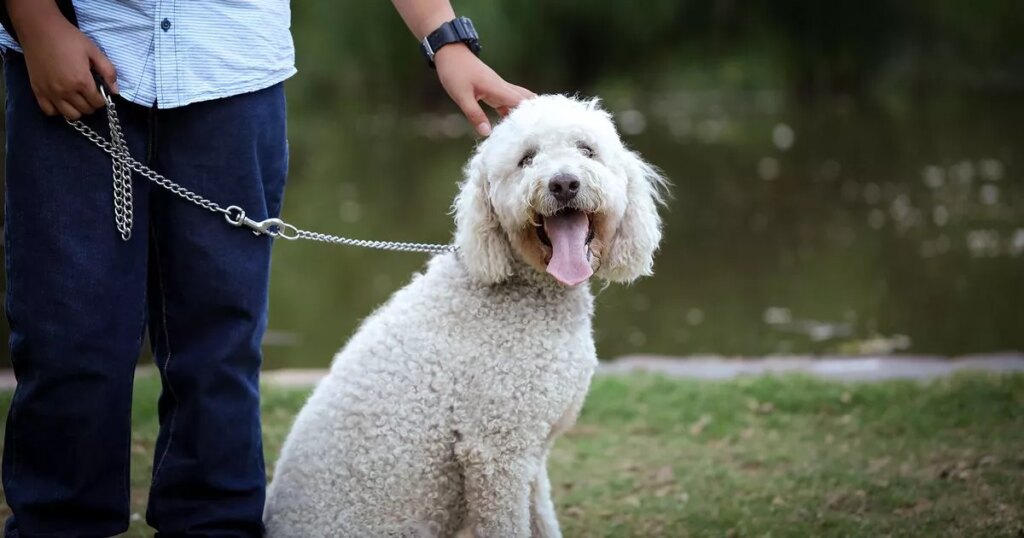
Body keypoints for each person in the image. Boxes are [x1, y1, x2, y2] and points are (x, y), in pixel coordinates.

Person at [0, 0, 532, 535]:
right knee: (70, 347)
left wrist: (447, 40)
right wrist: (36, 20)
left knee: (221, 350)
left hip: (232, 72)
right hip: (69, 66)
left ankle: (216, 524)